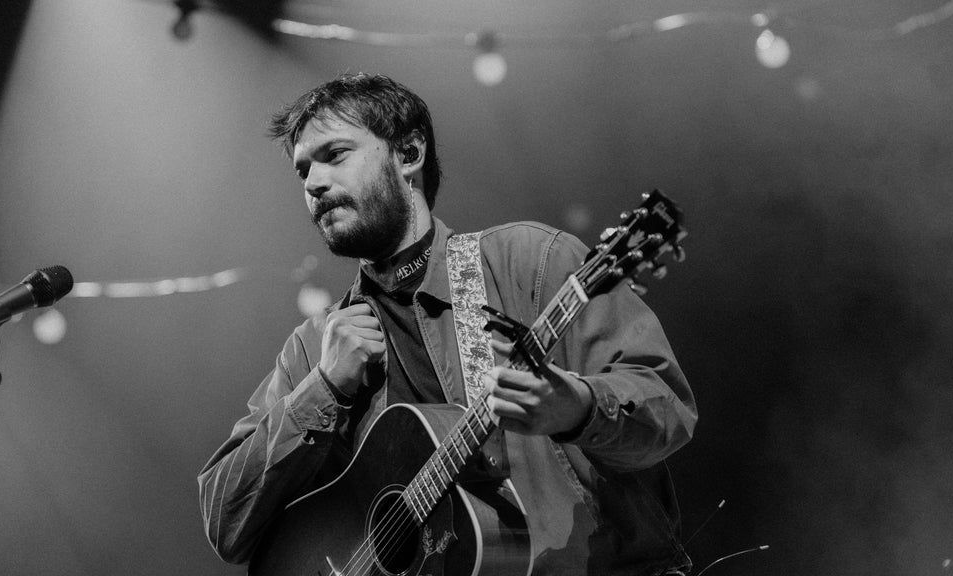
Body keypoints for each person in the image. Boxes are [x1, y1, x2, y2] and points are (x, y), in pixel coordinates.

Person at [197, 73, 697, 576]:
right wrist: (323, 389)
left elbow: (669, 410)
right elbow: (226, 521)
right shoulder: (313, 349)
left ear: (409, 153)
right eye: (303, 170)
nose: (313, 183)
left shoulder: (531, 260)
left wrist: (580, 408)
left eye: (336, 155)